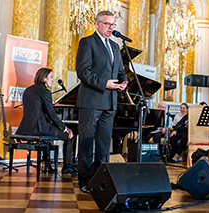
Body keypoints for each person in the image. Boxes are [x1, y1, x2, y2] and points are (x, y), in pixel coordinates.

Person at [75, 11, 128, 193]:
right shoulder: (87, 42)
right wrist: (104, 83)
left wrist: (124, 82)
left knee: (104, 145)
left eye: (113, 25)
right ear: (97, 24)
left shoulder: (114, 47)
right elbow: (82, 71)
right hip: (91, 101)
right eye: (107, 24)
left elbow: (120, 71)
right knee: (86, 143)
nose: (111, 28)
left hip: (110, 102)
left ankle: (100, 181)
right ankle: (84, 181)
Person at [16, 68, 75, 174]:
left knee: (48, 136)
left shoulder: (27, 90)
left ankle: (47, 164)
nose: (52, 80)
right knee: (69, 136)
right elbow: (51, 114)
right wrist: (65, 128)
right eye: (51, 77)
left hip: (25, 128)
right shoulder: (45, 92)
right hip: (39, 128)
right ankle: (67, 167)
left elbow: (37, 111)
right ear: (44, 79)